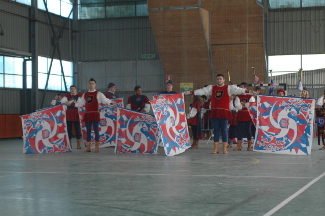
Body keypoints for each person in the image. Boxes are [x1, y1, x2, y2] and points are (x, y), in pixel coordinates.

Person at [185, 74, 255, 154]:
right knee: (216, 131)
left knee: (224, 130)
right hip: (215, 112)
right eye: (217, 79)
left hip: (224, 112)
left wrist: (249, 91)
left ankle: (224, 148)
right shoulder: (211, 88)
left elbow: (238, 90)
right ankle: (216, 148)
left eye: (220, 79)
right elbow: (202, 91)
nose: (219, 80)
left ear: (224, 80)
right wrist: (191, 92)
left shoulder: (229, 88)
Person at [75, 78, 115, 153]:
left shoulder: (98, 94)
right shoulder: (85, 94)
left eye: (93, 83)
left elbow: (105, 100)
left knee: (96, 131)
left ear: (95, 84)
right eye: (90, 83)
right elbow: (80, 103)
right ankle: (88, 147)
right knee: (88, 131)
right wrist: (72, 104)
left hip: (95, 114)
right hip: (88, 115)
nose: (91, 85)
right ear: (88, 84)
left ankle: (97, 147)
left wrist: (111, 103)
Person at [233, 82, 255, 151]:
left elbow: (251, 105)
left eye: (242, 87)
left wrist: (243, 104)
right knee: (239, 131)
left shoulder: (251, 96)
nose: (241, 89)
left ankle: (249, 146)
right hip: (240, 115)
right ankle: (239, 145)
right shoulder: (237, 96)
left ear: (246, 88)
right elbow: (238, 106)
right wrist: (245, 104)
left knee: (248, 130)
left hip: (248, 115)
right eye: (240, 87)